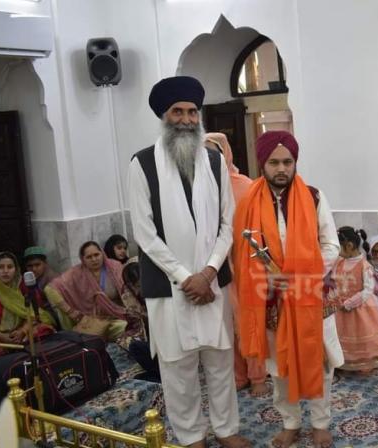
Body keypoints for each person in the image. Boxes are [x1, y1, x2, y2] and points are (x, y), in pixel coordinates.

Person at [127, 76, 249, 448]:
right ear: (164, 117)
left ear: (199, 116)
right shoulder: (142, 164)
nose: (185, 119)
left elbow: (228, 223)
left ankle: (227, 431)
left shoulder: (214, 161)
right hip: (169, 288)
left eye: (192, 112)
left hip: (212, 283)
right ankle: (191, 436)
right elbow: (144, 234)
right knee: (177, 368)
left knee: (219, 362)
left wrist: (209, 272)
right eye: (177, 112)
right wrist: (186, 278)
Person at [232, 130, 342, 448]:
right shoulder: (248, 203)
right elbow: (242, 256)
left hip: (311, 296)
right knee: (279, 366)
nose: (281, 168)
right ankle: (290, 422)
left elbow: (331, 245)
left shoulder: (315, 196)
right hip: (270, 301)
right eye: (274, 162)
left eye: (287, 162)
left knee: (319, 362)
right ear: (262, 163)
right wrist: (265, 279)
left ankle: (320, 423)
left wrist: (300, 275)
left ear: (295, 162)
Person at [204, 132, 269, 397]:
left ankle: (257, 376)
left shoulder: (245, 184)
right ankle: (237, 375)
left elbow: (260, 226)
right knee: (224, 322)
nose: (210, 159)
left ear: (225, 154)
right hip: (215, 265)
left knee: (249, 319)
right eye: (205, 154)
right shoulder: (199, 188)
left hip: (246, 263)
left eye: (215, 152)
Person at [49, 242, 144, 347]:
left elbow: (129, 291)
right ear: (83, 259)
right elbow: (49, 289)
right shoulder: (76, 273)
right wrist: (71, 312)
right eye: (89, 257)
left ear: (102, 253)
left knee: (128, 329)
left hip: (118, 318)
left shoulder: (115, 267)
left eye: (96, 255)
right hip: (93, 322)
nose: (94, 259)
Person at [331, 227, 378, 372]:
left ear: (349, 246)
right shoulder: (339, 263)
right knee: (343, 335)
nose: (337, 251)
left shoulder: (364, 265)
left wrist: (350, 302)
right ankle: (344, 361)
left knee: (360, 335)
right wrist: (334, 297)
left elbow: (368, 290)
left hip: (360, 309)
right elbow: (333, 281)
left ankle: (364, 362)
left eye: (338, 247)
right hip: (340, 309)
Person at [0, 252, 56, 365]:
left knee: (44, 329)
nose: (6, 271)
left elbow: (34, 313)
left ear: (16, 269)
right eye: (1, 267)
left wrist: (22, 331)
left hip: (22, 332)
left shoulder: (23, 285)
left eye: (10, 267)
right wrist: (1, 336)